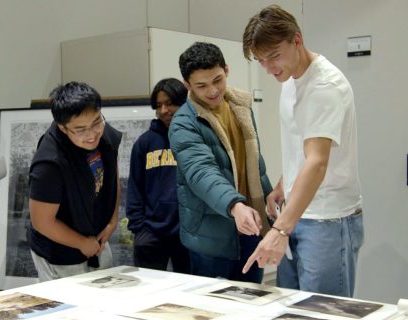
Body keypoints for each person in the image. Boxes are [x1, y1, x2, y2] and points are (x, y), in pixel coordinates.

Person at [242, 5, 363, 297]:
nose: (270, 68)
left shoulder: (324, 86)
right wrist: (285, 183)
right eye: (261, 61)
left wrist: (280, 230)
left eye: (274, 56)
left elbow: (318, 162)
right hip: (298, 213)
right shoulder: (291, 78)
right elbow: (303, 144)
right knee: (291, 315)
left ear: (297, 40)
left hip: (327, 219)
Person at [169, 42, 273, 283]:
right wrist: (235, 206)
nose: (213, 91)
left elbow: (253, 165)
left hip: (250, 224)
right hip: (211, 236)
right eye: (201, 86)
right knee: (215, 310)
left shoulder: (241, 106)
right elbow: (201, 173)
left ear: (226, 69)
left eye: (217, 80)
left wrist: (269, 203)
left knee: (253, 302)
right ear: (187, 85)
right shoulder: (184, 122)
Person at [28, 81, 122, 282]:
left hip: (96, 241)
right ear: (63, 128)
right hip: (61, 254)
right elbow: (42, 222)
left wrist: (112, 222)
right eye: (80, 130)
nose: (91, 135)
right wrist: (81, 243)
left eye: (97, 122)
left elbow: (112, 178)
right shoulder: (49, 163)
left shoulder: (104, 135)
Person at [126, 78, 190, 273]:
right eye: (159, 105)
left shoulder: (194, 139)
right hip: (151, 233)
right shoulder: (145, 143)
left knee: (190, 290)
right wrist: (139, 228)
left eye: (170, 103)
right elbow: (135, 187)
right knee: (148, 290)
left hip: (187, 233)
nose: (164, 110)